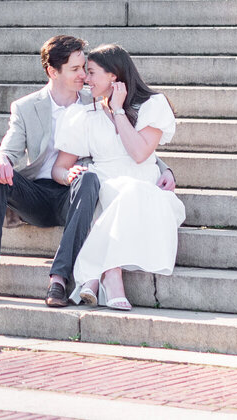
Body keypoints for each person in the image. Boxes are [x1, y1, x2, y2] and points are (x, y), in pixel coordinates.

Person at [0, 34, 174, 307]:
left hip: (78, 194)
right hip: (39, 193)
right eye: (75, 69)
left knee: (87, 179)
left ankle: (59, 280)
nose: (83, 76)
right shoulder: (27, 108)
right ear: (53, 71)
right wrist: (0, 158)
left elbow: (127, 146)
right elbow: (10, 148)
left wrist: (164, 168)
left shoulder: (96, 100)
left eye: (84, 68)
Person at [52, 44, 186, 310]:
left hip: (144, 188)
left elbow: (138, 153)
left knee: (132, 192)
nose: (85, 80)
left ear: (114, 76)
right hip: (102, 182)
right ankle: (111, 275)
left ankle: (94, 274)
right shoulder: (82, 114)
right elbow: (58, 169)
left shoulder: (153, 105)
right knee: (112, 194)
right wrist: (70, 174)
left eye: (91, 73)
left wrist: (118, 110)